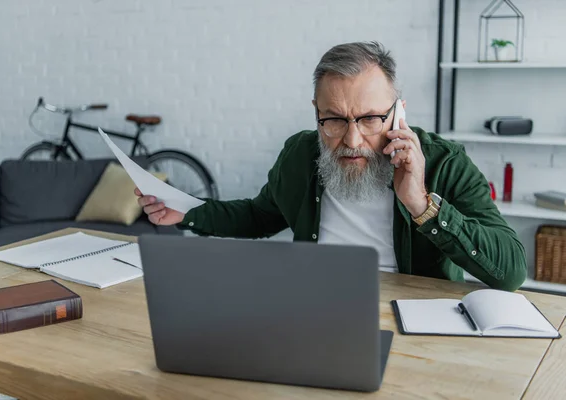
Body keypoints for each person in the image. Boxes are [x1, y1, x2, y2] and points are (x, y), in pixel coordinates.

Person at [135, 41, 527, 291]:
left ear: (399, 113)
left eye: (371, 118)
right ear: (317, 114)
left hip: (413, 320)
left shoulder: (445, 162)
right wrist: (186, 211)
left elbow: (511, 271)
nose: (352, 140)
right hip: (315, 304)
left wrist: (423, 204)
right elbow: (259, 216)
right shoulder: (300, 154)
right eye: (334, 120)